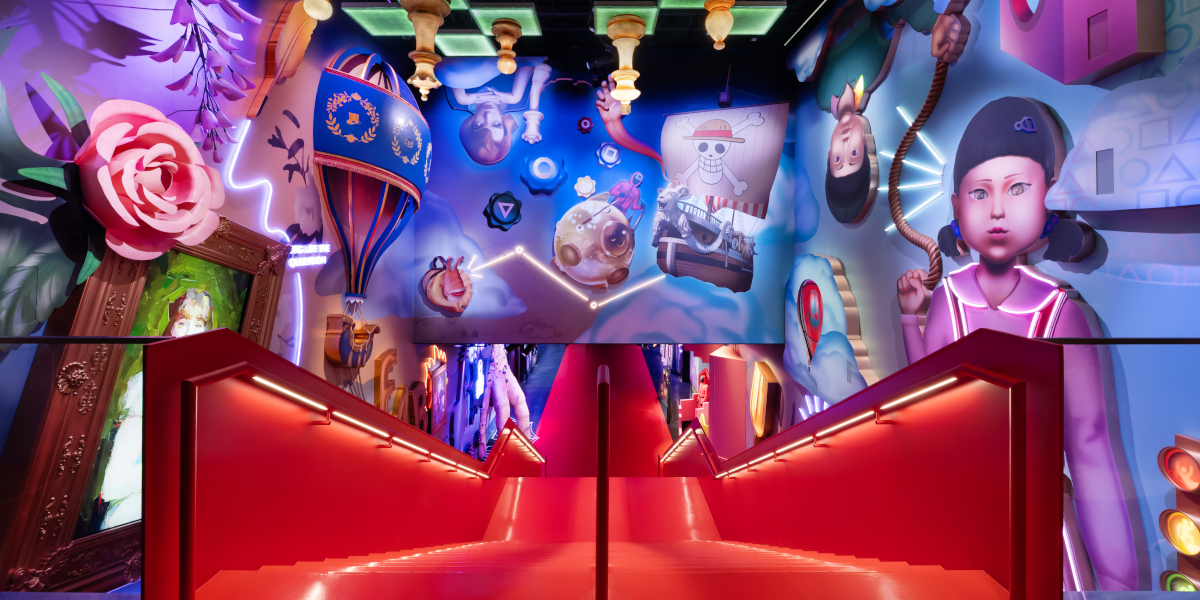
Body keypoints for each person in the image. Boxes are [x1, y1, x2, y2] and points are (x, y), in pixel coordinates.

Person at [895, 97, 1137, 591]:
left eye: (1018, 188)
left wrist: (1119, 583)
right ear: (958, 207)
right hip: (955, 511)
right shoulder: (950, 300)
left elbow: (1091, 451)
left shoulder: (1059, 313)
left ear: (1050, 195)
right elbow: (924, 396)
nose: (999, 209)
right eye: (981, 193)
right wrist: (908, 318)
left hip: (1040, 521)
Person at [98, 289, 214, 530]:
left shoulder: (204, 390)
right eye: (182, 323)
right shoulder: (145, 383)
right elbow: (113, 484)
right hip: (130, 518)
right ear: (169, 327)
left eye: (198, 324)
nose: (191, 332)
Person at [446, 58, 553, 166]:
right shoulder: (517, 102)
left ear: (470, 126)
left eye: (479, 124)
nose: (488, 115)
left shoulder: (458, 101)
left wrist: (461, 96)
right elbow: (532, 59)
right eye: (496, 124)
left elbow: (449, 62)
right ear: (505, 124)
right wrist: (516, 95)